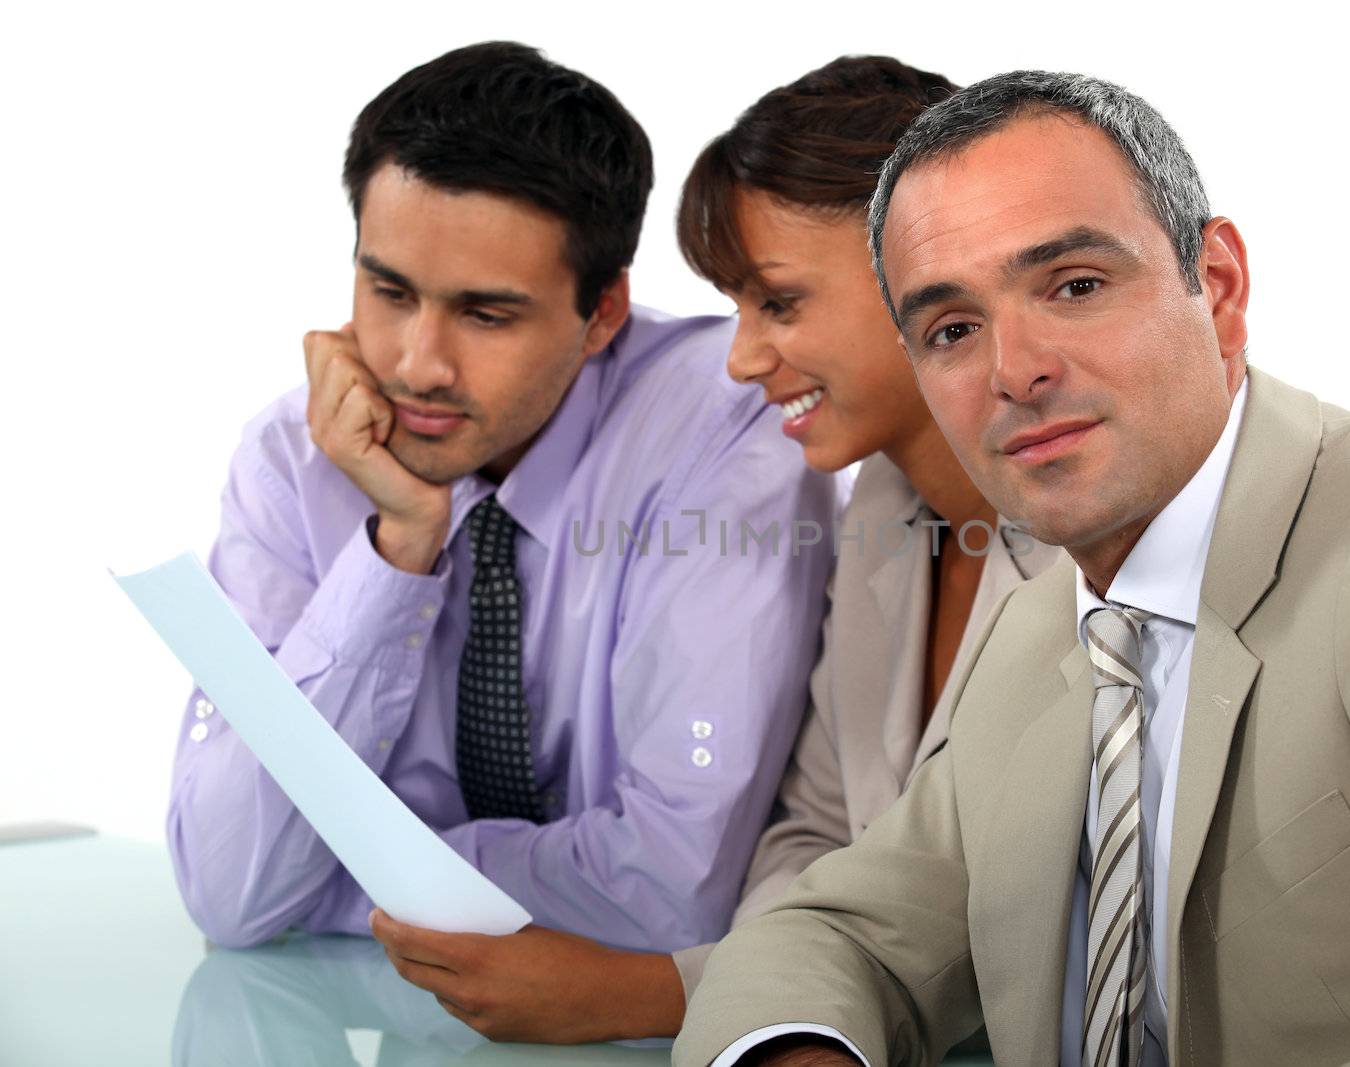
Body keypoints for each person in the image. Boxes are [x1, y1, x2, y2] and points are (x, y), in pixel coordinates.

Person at [674, 71, 1350, 1066]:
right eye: (951, 328)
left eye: (1074, 285)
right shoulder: (1045, 636)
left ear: (1222, 289)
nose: (1012, 368)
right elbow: (838, 932)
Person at [368, 56, 1063, 1044]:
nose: (739, 358)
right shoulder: (885, 514)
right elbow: (815, 837)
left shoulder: (1095, 532)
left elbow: (1043, 922)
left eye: (777, 304)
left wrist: (659, 989)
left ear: (924, 273)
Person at [166, 42, 836, 956]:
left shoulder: (726, 427)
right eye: (388, 289)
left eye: (486, 314)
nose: (416, 365)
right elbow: (230, 888)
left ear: (603, 314)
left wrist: (343, 871)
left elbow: (674, 892)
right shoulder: (296, 458)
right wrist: (395, 546)